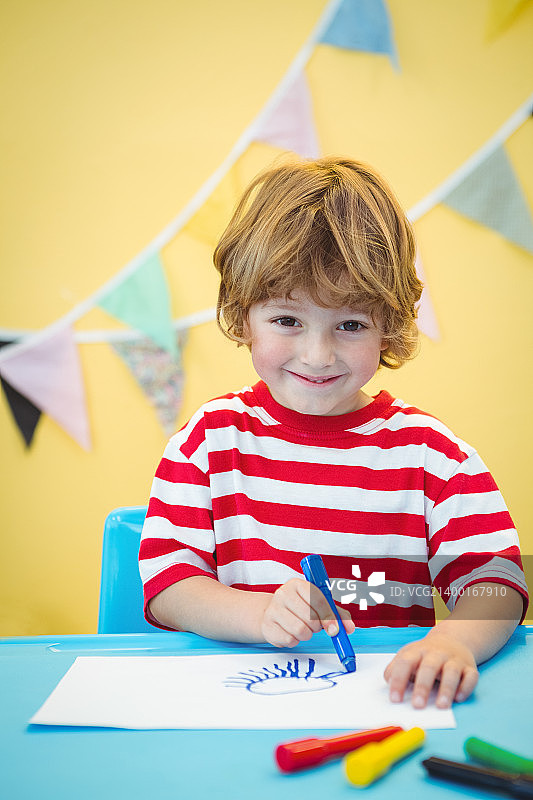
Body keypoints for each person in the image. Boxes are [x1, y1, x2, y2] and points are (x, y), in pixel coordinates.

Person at [139, 156, 528, 710]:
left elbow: (496, 582)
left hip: (384, 706)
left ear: (388, 327)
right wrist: (260, 613)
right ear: (242, 314)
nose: (317, 355)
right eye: (287, 320)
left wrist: (453, 640)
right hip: (236, 705)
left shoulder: (433, 456)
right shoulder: (209, 441)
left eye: (350, 324)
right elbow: (169, 584)